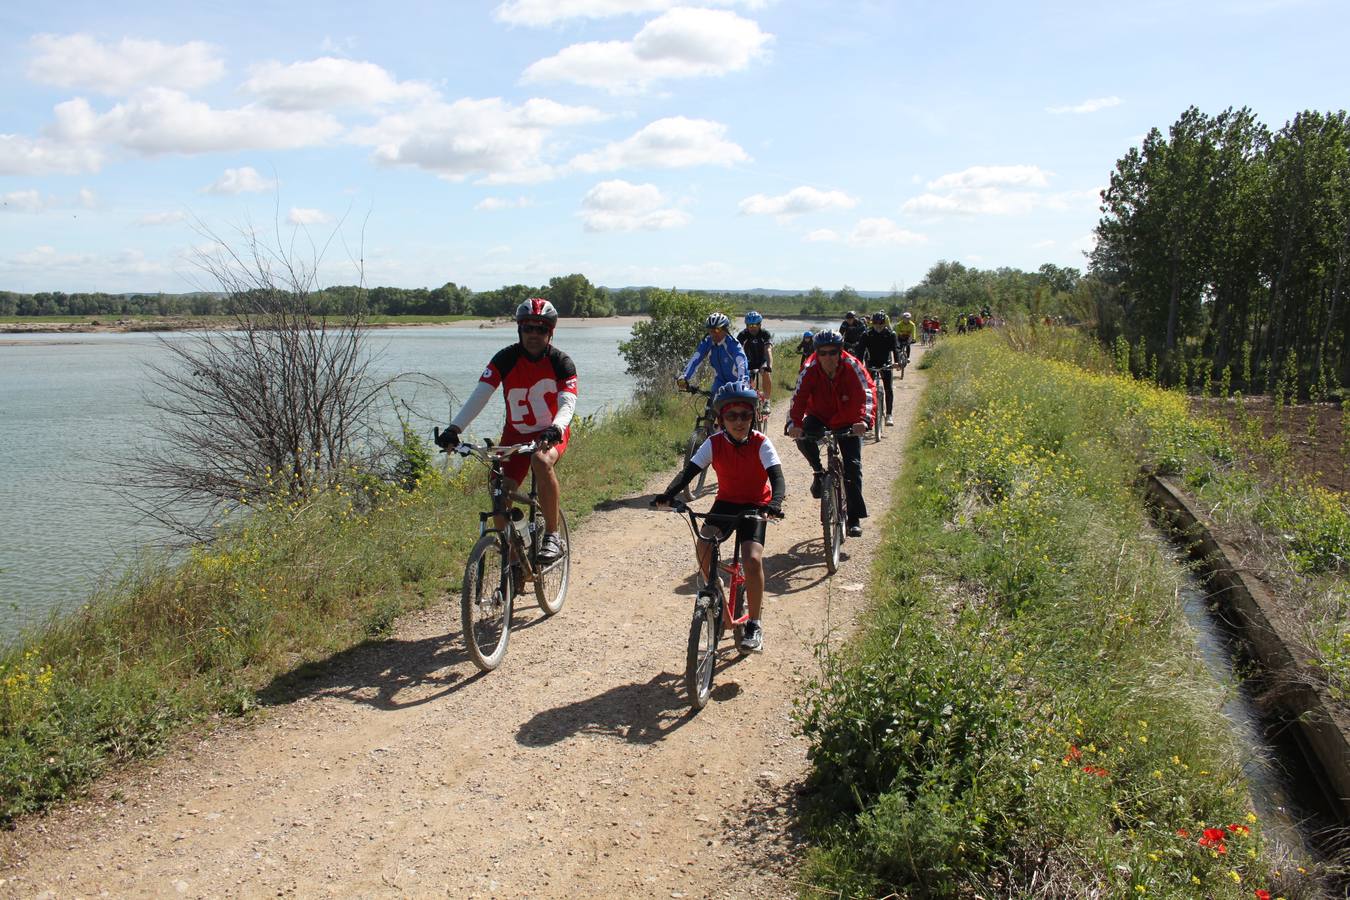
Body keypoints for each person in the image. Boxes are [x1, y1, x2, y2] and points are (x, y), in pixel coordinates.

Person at [435, 298, 576, 561]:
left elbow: (568, 401)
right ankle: (511, 559)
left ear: (550, 332)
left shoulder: (561, 362)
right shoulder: (505, 358)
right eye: (528, 328)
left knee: (541, 460)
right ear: (519, 330)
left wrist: (556, 428)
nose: (534, 334)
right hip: (515, 434)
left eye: (541, 329)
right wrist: (455, 429)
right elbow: (480, 395)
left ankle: (552, 536)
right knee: (499, 489)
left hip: (552, 433)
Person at [654, 381, 786, 652]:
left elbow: (777, 478)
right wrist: (668, 494)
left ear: (755, 416)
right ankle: (714, 589)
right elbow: (688, 473)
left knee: (751, 558)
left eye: (745, 415)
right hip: (726, 503)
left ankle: (755, 624)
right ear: (719, 419)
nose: (739, 422)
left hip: (755, 505)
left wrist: (775, 502)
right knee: (704, 543)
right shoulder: (713, 444)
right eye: (731, 416)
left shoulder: (762, 443)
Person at [788, 329, 874, 538]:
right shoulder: (809, 368)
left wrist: (863, 420)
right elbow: (798, 398)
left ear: (840, 351)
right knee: (803, 438)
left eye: (833, 352)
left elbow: (867, 393)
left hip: (849, 418)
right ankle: (818, 472)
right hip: (819, 414)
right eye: (823, 353)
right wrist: (793, 424)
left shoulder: (852, 365)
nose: (828, 357)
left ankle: (853, 518)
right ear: (816, 353)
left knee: (852, 467)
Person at [678, 312, 749, 401]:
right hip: (719, 382)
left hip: (736, 383)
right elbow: (695, 359)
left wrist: (742, 382)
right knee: (711, 408)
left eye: (717, 330)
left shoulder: (733, 344)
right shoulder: (707, 342)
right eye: (710, 330)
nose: (713, 334)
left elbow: (741, 364)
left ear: (725, 329)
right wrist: (684, 376)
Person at [858, 312, 900, 427]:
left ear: (884, 323)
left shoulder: (890, 334)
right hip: (871, 363)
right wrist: (858, 364)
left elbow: (895, 349)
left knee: (888, 388)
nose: (878, 326)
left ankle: (889, 414)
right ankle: (867, 415)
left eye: (881, 323)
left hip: (886, 364)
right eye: (875, 323)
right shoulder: (866, 334)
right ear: (872, 323)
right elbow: (860, 351)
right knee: (868, 390)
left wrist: (897, 362)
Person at [736, 311, 774, 406]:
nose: (752, 328)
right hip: (748, 361)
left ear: (760, 324)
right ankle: (749, 400)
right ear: (746, 325)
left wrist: (769, 365)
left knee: (765, 372)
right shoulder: (742, 335)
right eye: (750, 325)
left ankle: (767, 401)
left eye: (755, 325)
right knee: (746, 380)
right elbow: (736, 352)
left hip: (762, 360)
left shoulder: (765, 334)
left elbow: (768, 350)